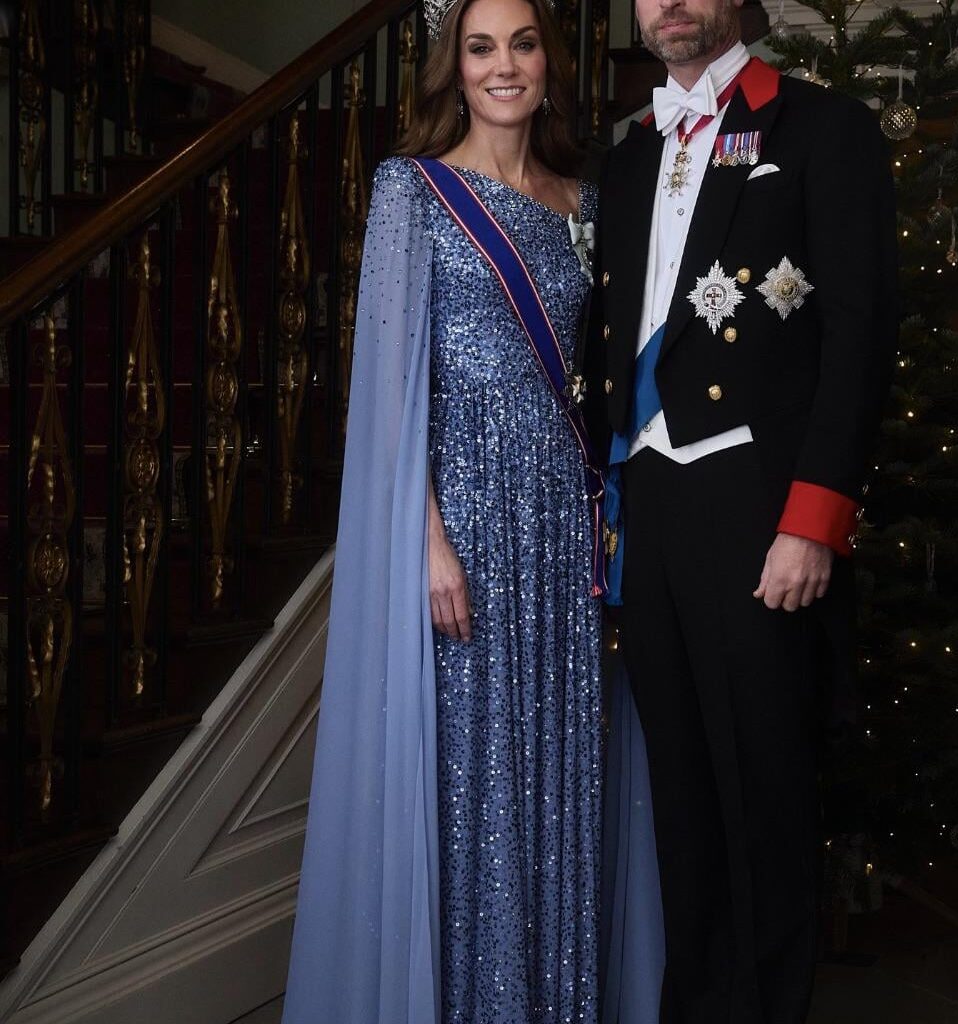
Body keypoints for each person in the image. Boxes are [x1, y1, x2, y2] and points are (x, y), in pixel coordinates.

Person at [280, 0, 627, 1018]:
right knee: (472, 777)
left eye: (522, 44)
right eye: (482, 48)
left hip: (560, 524)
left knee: (554, 768)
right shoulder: (412, 192)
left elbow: (600, 375)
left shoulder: (585, 203)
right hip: (463, 524)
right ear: (454, 68)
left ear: (548, 63)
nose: (504, 66)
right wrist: (425, 539)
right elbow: (390, 385)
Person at [586, 0, 898, 1016]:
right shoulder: (627, 156)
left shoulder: (823, 128)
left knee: (763, 792)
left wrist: (815, 516)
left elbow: (858, 335)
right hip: (654, 501)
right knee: (679, 794)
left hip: (760, 506)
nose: (666, 2)